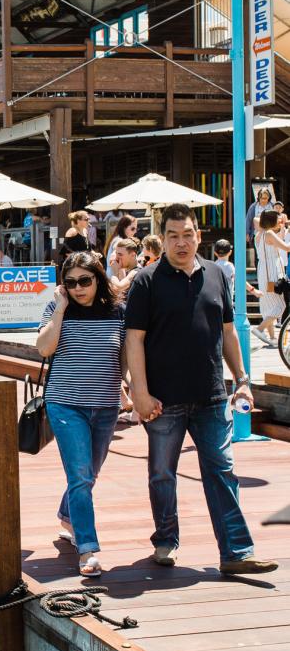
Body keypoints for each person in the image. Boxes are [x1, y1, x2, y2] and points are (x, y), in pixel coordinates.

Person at [125, 203, 277, 575]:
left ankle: (236, 552)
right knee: (162, 473)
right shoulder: (146, 280)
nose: (181, 243)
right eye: (173, 236)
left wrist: (241, 380)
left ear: (198, 236)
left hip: (211, 394)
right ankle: (166, 538)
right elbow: (134, 339)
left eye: (188, 234)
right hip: (163, 399)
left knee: (222, 470)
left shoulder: (215, 275)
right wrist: (139, 393)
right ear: (162, 240)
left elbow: (227, 332)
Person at [36, 251, 126, 577]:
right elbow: (44, 347)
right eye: (70, 282)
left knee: (89, 474)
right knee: (80, 475)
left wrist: (133, 391)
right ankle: (87, 548)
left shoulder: (118, 312)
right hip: (65, 404)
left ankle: (67, 514)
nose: (78, 288)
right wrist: (60, 307)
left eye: (84, 281)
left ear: (98, 279)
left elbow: (125, 356)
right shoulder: (59, 309)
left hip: (105, 406)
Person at [252, 209, 290, 347]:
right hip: (272, 274)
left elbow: (257, 220)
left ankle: (272, 338)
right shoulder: (269, 233)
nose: (280, 222)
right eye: (278, 219)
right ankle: (260, 329)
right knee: (280, 305)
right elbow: (286, 247)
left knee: (269, 306)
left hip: (264, 273)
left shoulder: (259, 234)